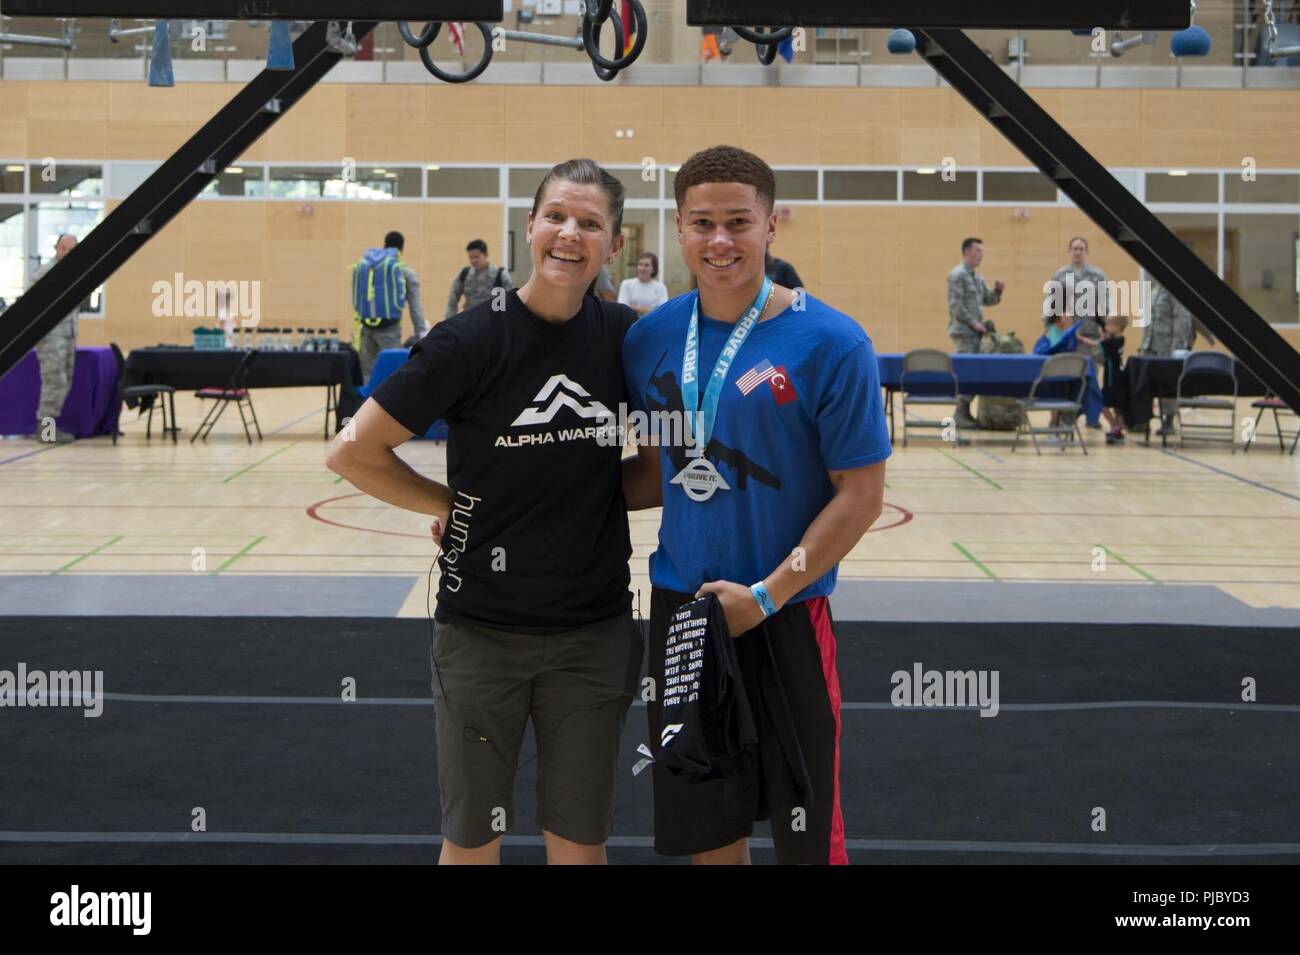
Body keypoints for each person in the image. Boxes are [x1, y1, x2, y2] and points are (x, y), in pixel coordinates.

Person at [328, 159, 657, 865]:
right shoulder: (468, 340)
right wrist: (451, 502)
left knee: (580, 844)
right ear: (531, 227)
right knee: (473, 842)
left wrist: (587, 489)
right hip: (481, 633)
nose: (571, 233)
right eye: (557, 217)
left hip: (592, 633)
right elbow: (353, 450)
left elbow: (667, 463)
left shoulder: (630, 340)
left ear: (615, 242)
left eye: (590, 222)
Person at [623, 145, 891, 865]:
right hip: (684, 610)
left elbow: (861, 496)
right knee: (711, 830)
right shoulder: (648, 338)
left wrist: (768, 595)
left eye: (739, 222)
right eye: (702, 222)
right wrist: (507, 507)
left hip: (788, 612)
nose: (720, 241)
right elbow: (652, 471)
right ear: (677, 228)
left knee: (807, 835)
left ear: (771, 226)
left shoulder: (832, 341)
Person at [353, 231, 429, 380]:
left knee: (367, 373)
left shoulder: (367, 268)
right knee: (390, 374)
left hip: (365, 328)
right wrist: (421, 332)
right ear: (401, 249)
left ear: (384, 244)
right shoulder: (405, 271)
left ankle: (366, 402)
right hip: (389, 330)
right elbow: (415, 307)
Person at [28, 233, 80, 445]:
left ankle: (51, 427)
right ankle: (46, 432)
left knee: (64, 382)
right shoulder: (44, 273)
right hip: (50, 338)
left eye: (71, 249)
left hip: (67, 335)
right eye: (63, 248)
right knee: (53, 383)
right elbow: (31, 303)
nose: (66, 253)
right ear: (55, 248)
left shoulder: (75, 273)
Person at [947, 237, 1004, 429]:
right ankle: (960, 413)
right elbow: (956, 307)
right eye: (977, 250)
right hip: (964, 334)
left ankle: (965, 412)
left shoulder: (977, 277)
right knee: (966, 372)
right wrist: (975, 324)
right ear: (966, 252)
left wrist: (997, 291)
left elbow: (988, 300)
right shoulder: (957, 275)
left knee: (975, 373)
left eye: (982, 250)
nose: (981, 254)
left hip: (976, 334)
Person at [445, 239, 513, 318]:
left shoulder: (500, 275)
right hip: (469, 321)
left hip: (493, 322)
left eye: (477, 257)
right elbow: (452, 301)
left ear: (486, 254)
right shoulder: (464, 274)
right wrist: (448, 322)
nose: (473, 260)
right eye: (470, 257)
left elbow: (509, 303)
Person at [1099, 314, 1129, 444]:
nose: (1105, 327)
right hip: (1116, 376)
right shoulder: (1120, 339)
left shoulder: (1112, 342)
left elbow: (1100, 345)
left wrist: (1081, 338)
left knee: (1102, 404)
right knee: (1117, 406)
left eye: (1108, 325)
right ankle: (1117, 430)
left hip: (1112, 379)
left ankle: (1114, 426)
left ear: (1117, 327)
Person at [617, 252, 669, 316]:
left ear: (653, 270)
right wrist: (651, 310)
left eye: (646, 265)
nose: (642, 268)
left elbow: (663, 312)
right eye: (640, 264)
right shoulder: (626, 284)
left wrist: (637, 307)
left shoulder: (660, 287)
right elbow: (622, 310)